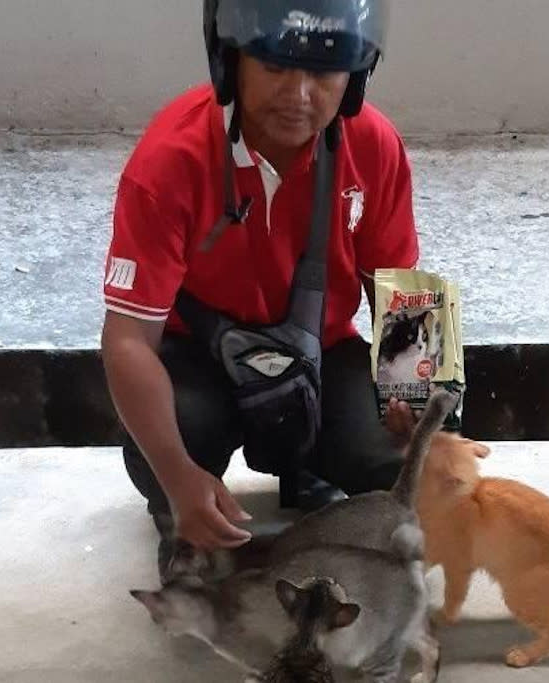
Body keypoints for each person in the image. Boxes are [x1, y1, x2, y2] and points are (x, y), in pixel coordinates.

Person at [100, 0, 420, 579]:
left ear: (356, 76)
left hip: (321, 354)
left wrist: (425, 409)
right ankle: (186, 524)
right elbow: (126, 342)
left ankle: (313, 467)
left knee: (403, 462)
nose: (299, 94)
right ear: (229, 61)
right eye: (274, 67)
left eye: (324, 73)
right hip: (200, 362)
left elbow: (404, 295)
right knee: (172, 433)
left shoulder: (376, 146)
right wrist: (177, 478)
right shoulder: (169, 160)